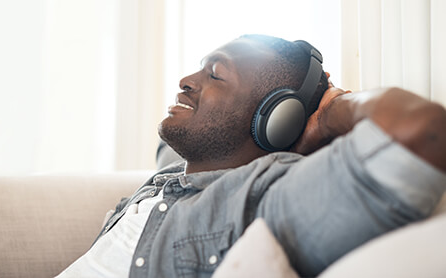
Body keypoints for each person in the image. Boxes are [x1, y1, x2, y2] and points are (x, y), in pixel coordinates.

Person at [56, 34, 446, 277]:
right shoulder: (178, 175)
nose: (186, 81)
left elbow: (421, 131)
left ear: (276, 119)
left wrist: (329, 116)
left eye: (215, 75)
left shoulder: (266, 197)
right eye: (198, 69)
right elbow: (172, 147)